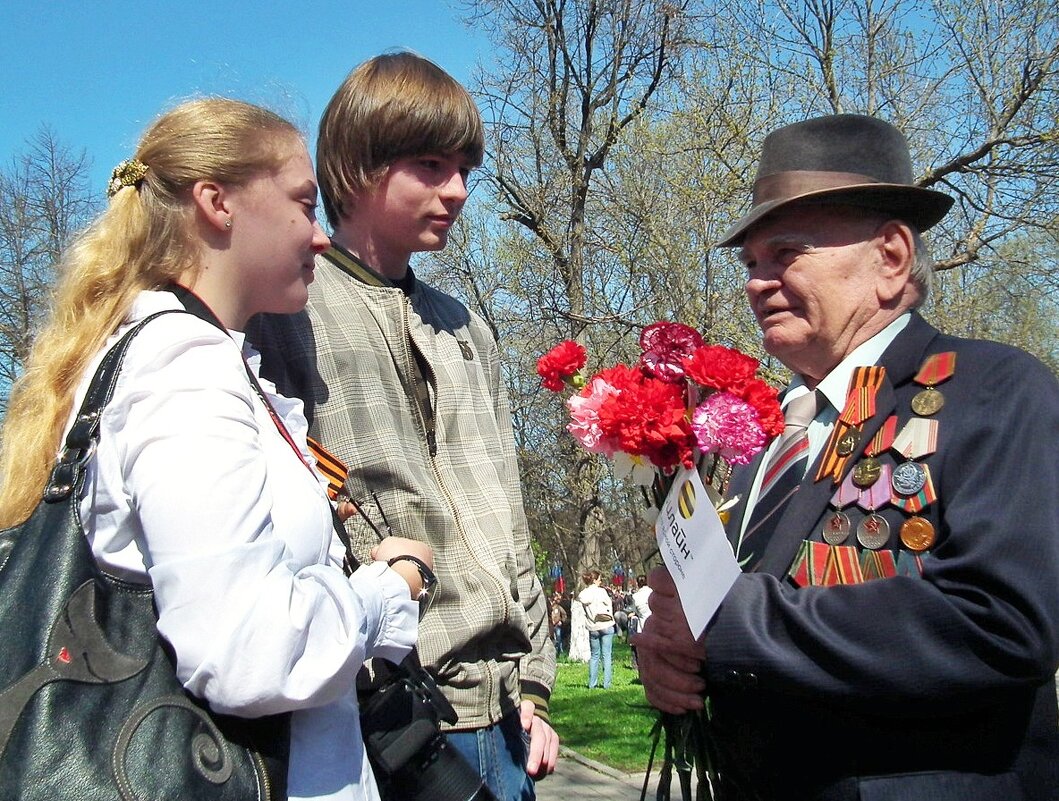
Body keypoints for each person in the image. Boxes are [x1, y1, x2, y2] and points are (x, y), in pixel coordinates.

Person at [0, 98, 434, 801]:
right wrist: (392, 587)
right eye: (302, 203)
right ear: (217, 203)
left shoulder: (192, 356)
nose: (320, 237)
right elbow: (251, 653)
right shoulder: (184, 364)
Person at [633, 114, 1059, 800]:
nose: (755, 282)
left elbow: (1001, 621)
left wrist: (725, 621)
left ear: (890, 256)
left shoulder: (990, 390)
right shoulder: (763, 432)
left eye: (786, 253)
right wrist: (671, 660)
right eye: (749, 263)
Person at [247, 52, 558, 800]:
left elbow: (509, 515)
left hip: (504, 724)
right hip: (372, 723)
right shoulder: (286, 314)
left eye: (464, 170)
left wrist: (536, 686)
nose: (456, 191)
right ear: (356, 168)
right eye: (429, 164)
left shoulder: (466, 328)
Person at [577, 570, 615, 689]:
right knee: (606, 655)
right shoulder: (601, 592)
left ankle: (592, 684)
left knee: (594, 656)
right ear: (594, 580)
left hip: (592, 627)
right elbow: (609, 604)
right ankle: (606, 684)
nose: (600, 580)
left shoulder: (583, 594)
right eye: (599, 578)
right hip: (605, 625)